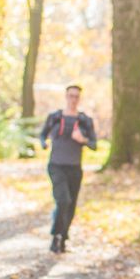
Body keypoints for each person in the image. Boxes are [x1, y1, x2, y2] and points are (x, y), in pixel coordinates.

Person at [39, 85, 96, 253]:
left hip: (75, 168)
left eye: (76, 96)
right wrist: (44, 143)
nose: (73, 99)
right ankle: (56, 235)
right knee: (63, 200)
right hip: (56, 165)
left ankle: (63, 238)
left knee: (71, 205)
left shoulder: (85, 121)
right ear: (66, 96)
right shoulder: (55, 117)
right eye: (71, 96)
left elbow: (94, 145)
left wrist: (82, 140)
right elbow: (43, 134)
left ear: (79, 99)